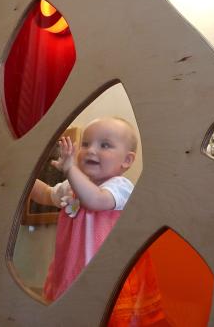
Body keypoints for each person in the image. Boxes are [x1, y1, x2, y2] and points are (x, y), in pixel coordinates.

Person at [31, 117, 165, 326]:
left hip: (108, 276)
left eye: (105, 145)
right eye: (85, 144)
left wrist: (71, 169)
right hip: (71, 272)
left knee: (106, 317)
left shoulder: (120, 186)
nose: (91, 150)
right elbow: (47, 194)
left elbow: (95, 200)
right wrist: (23, 179)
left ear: (127, 161)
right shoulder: (72, 185)